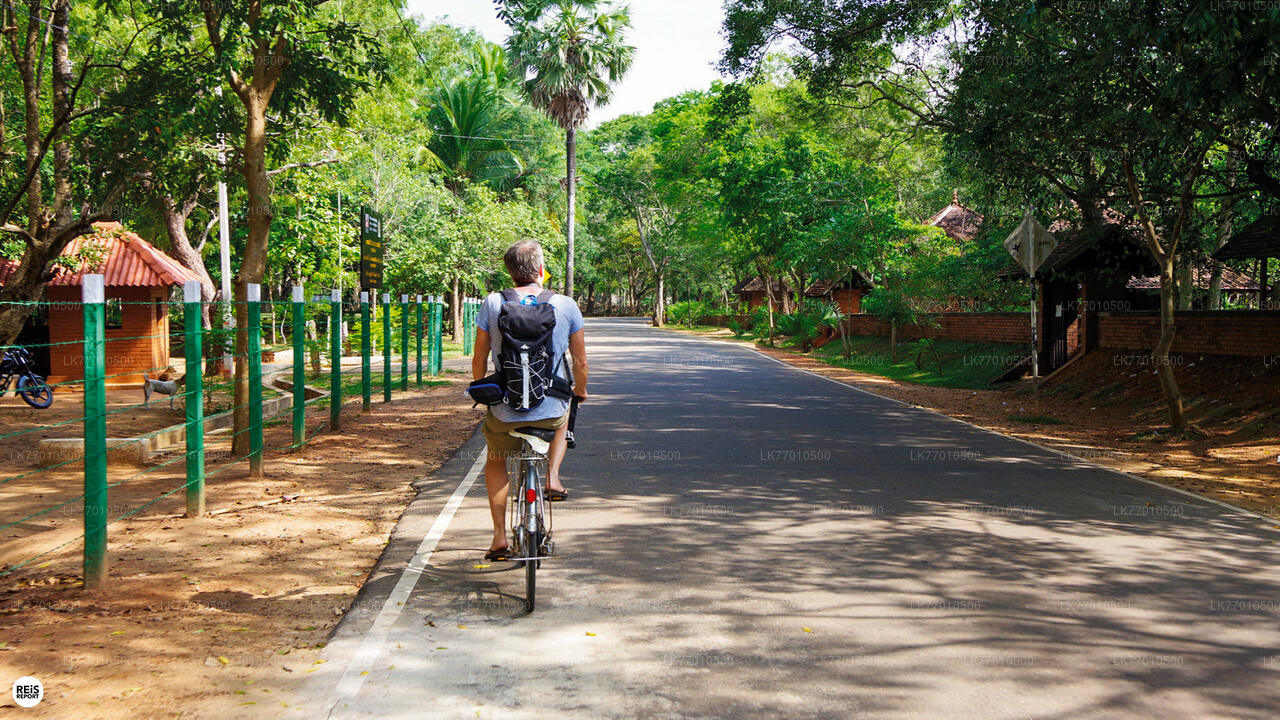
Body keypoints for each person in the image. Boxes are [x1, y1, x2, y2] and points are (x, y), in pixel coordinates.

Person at [472, 240, 588, 561]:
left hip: (505, 411)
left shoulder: (492, 304)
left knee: (496, 461)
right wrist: (580, 391)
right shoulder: (566, 305)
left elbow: (479, 357)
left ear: (511, 274)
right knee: (565, 416)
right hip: (549, 410)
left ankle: (499, 539)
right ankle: (552, 475)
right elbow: (580, 362)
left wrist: (482, 390)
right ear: (540, 271)